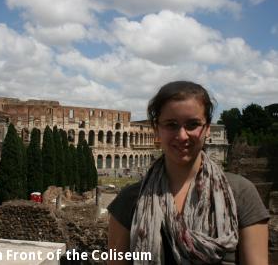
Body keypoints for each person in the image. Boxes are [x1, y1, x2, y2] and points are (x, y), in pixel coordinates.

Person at [107, 81, 269, 265]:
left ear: (207, 128)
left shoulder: (241, 194)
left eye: (192, 124)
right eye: (171, 124)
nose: (182, 135)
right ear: (156, 130)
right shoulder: (128, 201)